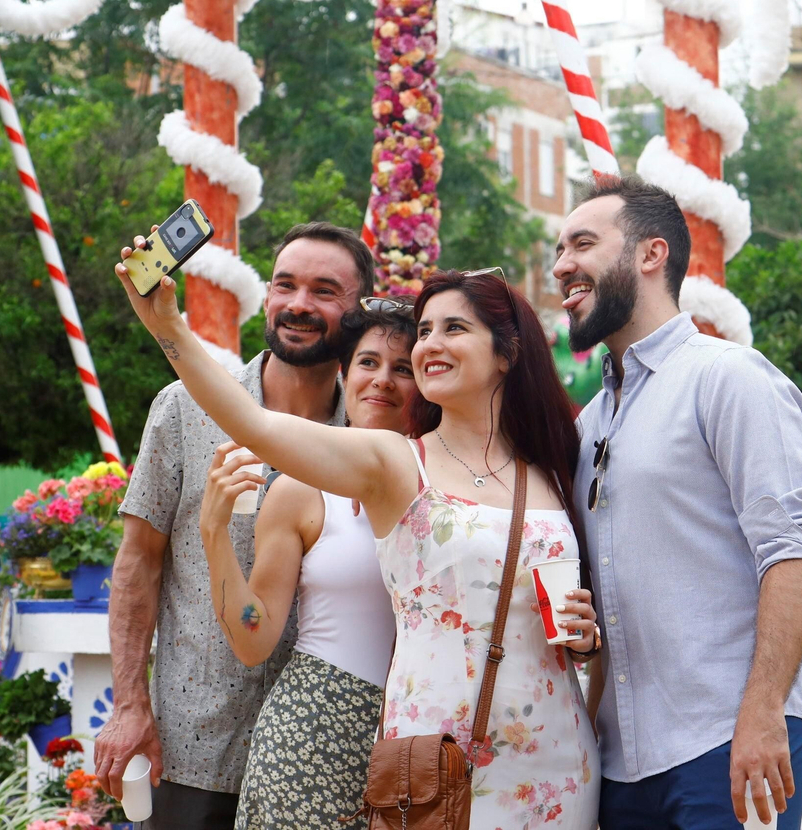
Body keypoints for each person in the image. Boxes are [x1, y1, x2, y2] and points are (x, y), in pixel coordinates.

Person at [115, 255, 603, 829]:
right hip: (423, 756)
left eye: (453, 328)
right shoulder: (390, 463)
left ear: (508, 352)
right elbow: (256, 425)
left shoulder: (553, 465)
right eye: (425, 330)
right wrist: (168, 328)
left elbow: (571, 614)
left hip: (554, 757)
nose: (428, 345)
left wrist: (585, 637)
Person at [551, 177, 802, 830]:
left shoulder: (729, 377)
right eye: (558, 249)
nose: (560, 265)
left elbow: (792, 552)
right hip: (622, 765)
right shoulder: (589, 424)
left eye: (582, 244)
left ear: (652, 254)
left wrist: (763, 713)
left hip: (730, 741)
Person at [95, 222, 373, 830]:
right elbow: (138, 559)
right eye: (285, 285)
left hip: (324, 765)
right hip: (193, 746)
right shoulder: (182, 408)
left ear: (361, 311)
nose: (298, 304)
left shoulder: (373, 440)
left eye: (325, 291)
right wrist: (130, 704)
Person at [204, 303, 415, 830]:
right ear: (344, 373)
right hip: (311, 735)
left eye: (403, 368)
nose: (383, 380)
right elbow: (253, 638)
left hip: (423, 736)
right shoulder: (301, 490)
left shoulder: (453, 489)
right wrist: (213, 533)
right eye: (368, 362)